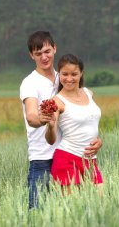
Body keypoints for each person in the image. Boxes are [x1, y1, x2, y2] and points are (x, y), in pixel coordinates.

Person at [19, 31, 102, 209]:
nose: (44, 57)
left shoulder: (64, 76)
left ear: (55, 49)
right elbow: (32, 117)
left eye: (47, 51)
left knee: (73, 213)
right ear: (31, 55)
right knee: (38, 213)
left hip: (71, 154)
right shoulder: (30, 83)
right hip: (42, 157)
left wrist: (96, 140)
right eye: (38, 53)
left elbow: (84, 114)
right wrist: (46, 118)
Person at [44, 54, 103, 195]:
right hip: (67, 160)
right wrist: (51, 126)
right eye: (64, 74)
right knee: (73, 210)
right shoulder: (56, 101)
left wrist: (99, 141)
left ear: (81, 73)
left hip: (90, 161)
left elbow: (90, 124)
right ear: (59, 74)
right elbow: (50, 140)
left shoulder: (89, 93)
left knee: (102, 204)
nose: (69, 79)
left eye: (74, 74)